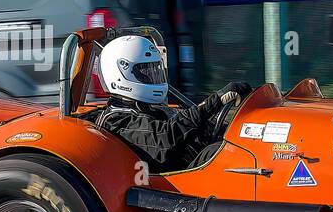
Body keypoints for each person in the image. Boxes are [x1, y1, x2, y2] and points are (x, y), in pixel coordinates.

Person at [87, 34, 252, 172]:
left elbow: (191, 126)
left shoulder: (154, 108)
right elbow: (165, 138)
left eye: (155, 70)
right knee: (226, 154)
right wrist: (214, 102)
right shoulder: (116, 120)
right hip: (174, 188)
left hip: (197, 171)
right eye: (146, 71)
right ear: (120, 73)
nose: (153, 76)